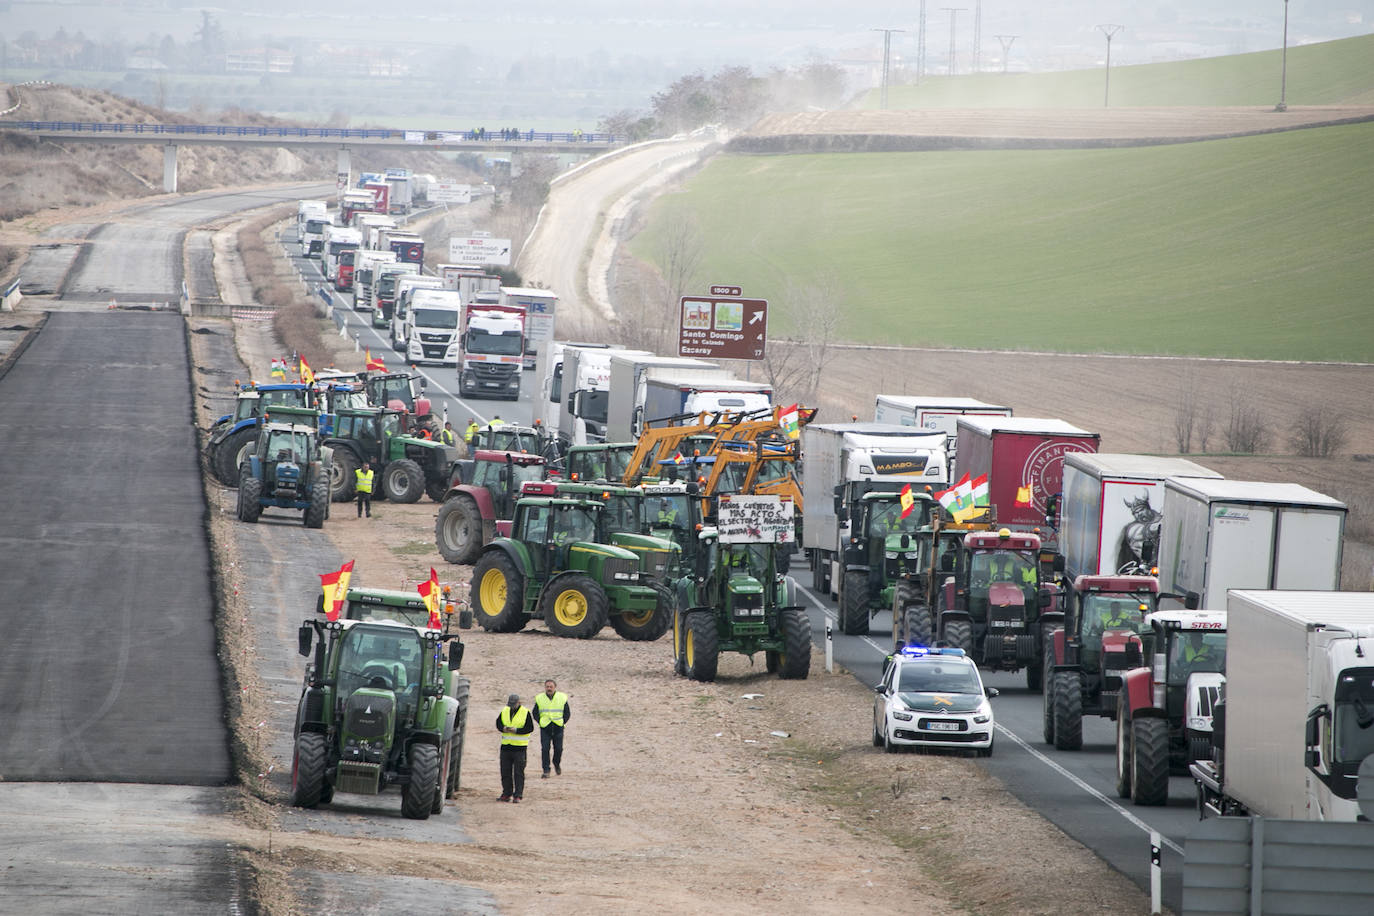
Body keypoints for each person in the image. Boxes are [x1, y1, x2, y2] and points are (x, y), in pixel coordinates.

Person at [497, 692, 534, 802]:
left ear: (519, 702)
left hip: (519, 748)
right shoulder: (505, 710)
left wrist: (517, 731)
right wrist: (503, 728)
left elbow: (529, 728)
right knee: (505, 772)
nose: (511, 706)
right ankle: (506, 794)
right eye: (510, 704)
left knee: (518, 773)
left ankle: (518, 795)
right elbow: (498, 723)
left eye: (514, 704)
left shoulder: (525, 712)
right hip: (506, 747)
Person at [535, 679, 571, 778]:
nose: (549, 688)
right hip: (545, 728)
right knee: (545, 749)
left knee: (558, 749)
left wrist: (562, 722)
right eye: (547, 687)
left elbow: (567, 713)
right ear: (545, 687)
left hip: (558, 727)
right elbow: (535, 713)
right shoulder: (539, 698)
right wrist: (541, 722)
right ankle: (546, 770)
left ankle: (556, 763)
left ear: (555, 687)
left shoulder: (562, 697)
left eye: (551, 687)